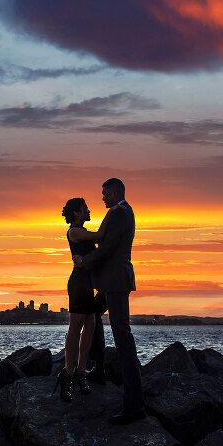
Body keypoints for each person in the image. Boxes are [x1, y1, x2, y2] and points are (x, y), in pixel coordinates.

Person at [72, 178, 145, 424]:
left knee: (123, 337)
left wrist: (86, 261)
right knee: (93, 313)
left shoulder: (121, 213)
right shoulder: (120, 211)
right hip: (110, 281)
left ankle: (134, 405)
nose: (102, 198)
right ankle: (100, 370)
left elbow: (109, 247)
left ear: (114, 192)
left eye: (104, 194)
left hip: (116, 282)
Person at [55, 197, 120, 402]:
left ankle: (81, 371)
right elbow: (101, 234)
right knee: (75, 326)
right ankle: (67, 373)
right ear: (76, 212)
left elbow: (101, 244)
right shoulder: (75, 231)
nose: (89, 210)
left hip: (88, 284)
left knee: (91, 324)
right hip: (78, 284)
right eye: (85, 208)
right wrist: (114, 210)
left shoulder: (83, 232)